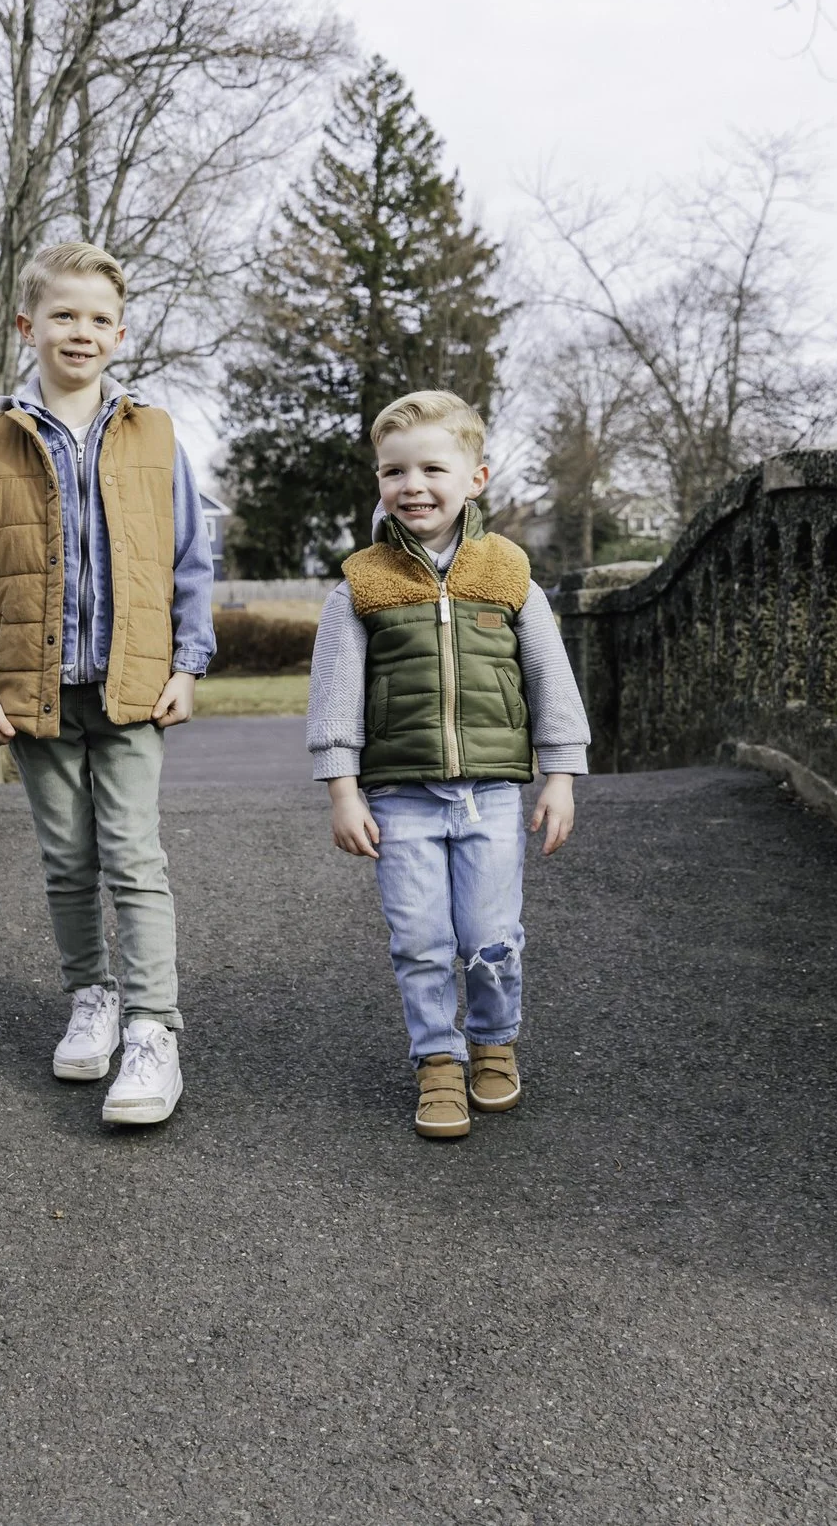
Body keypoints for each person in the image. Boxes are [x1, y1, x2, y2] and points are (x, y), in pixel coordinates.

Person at [0, 241, 216, 1127]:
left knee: (133, 855)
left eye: (98, 319)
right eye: (63, 315)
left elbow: (190, 558)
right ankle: (91, 995)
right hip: (34, 688)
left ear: (121, 334)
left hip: (132, 686)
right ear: (29, 326)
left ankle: (152, 1027)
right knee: (67, 859)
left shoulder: (155, 434)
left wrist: (188, 661)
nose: (80, 332)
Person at [305, 390, 591, 1138]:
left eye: (434, 466)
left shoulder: (508, 575)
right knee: (421, 941)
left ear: (477, 478)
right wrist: (342, 790)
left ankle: (494, 1042)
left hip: (491, 795)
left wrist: (559, 777)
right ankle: (437, 1059)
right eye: (394, 470)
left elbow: (550, 683)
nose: (413, 484)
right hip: (400, 798)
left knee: (492, 936)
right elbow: (335, 697)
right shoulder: (361, 585)